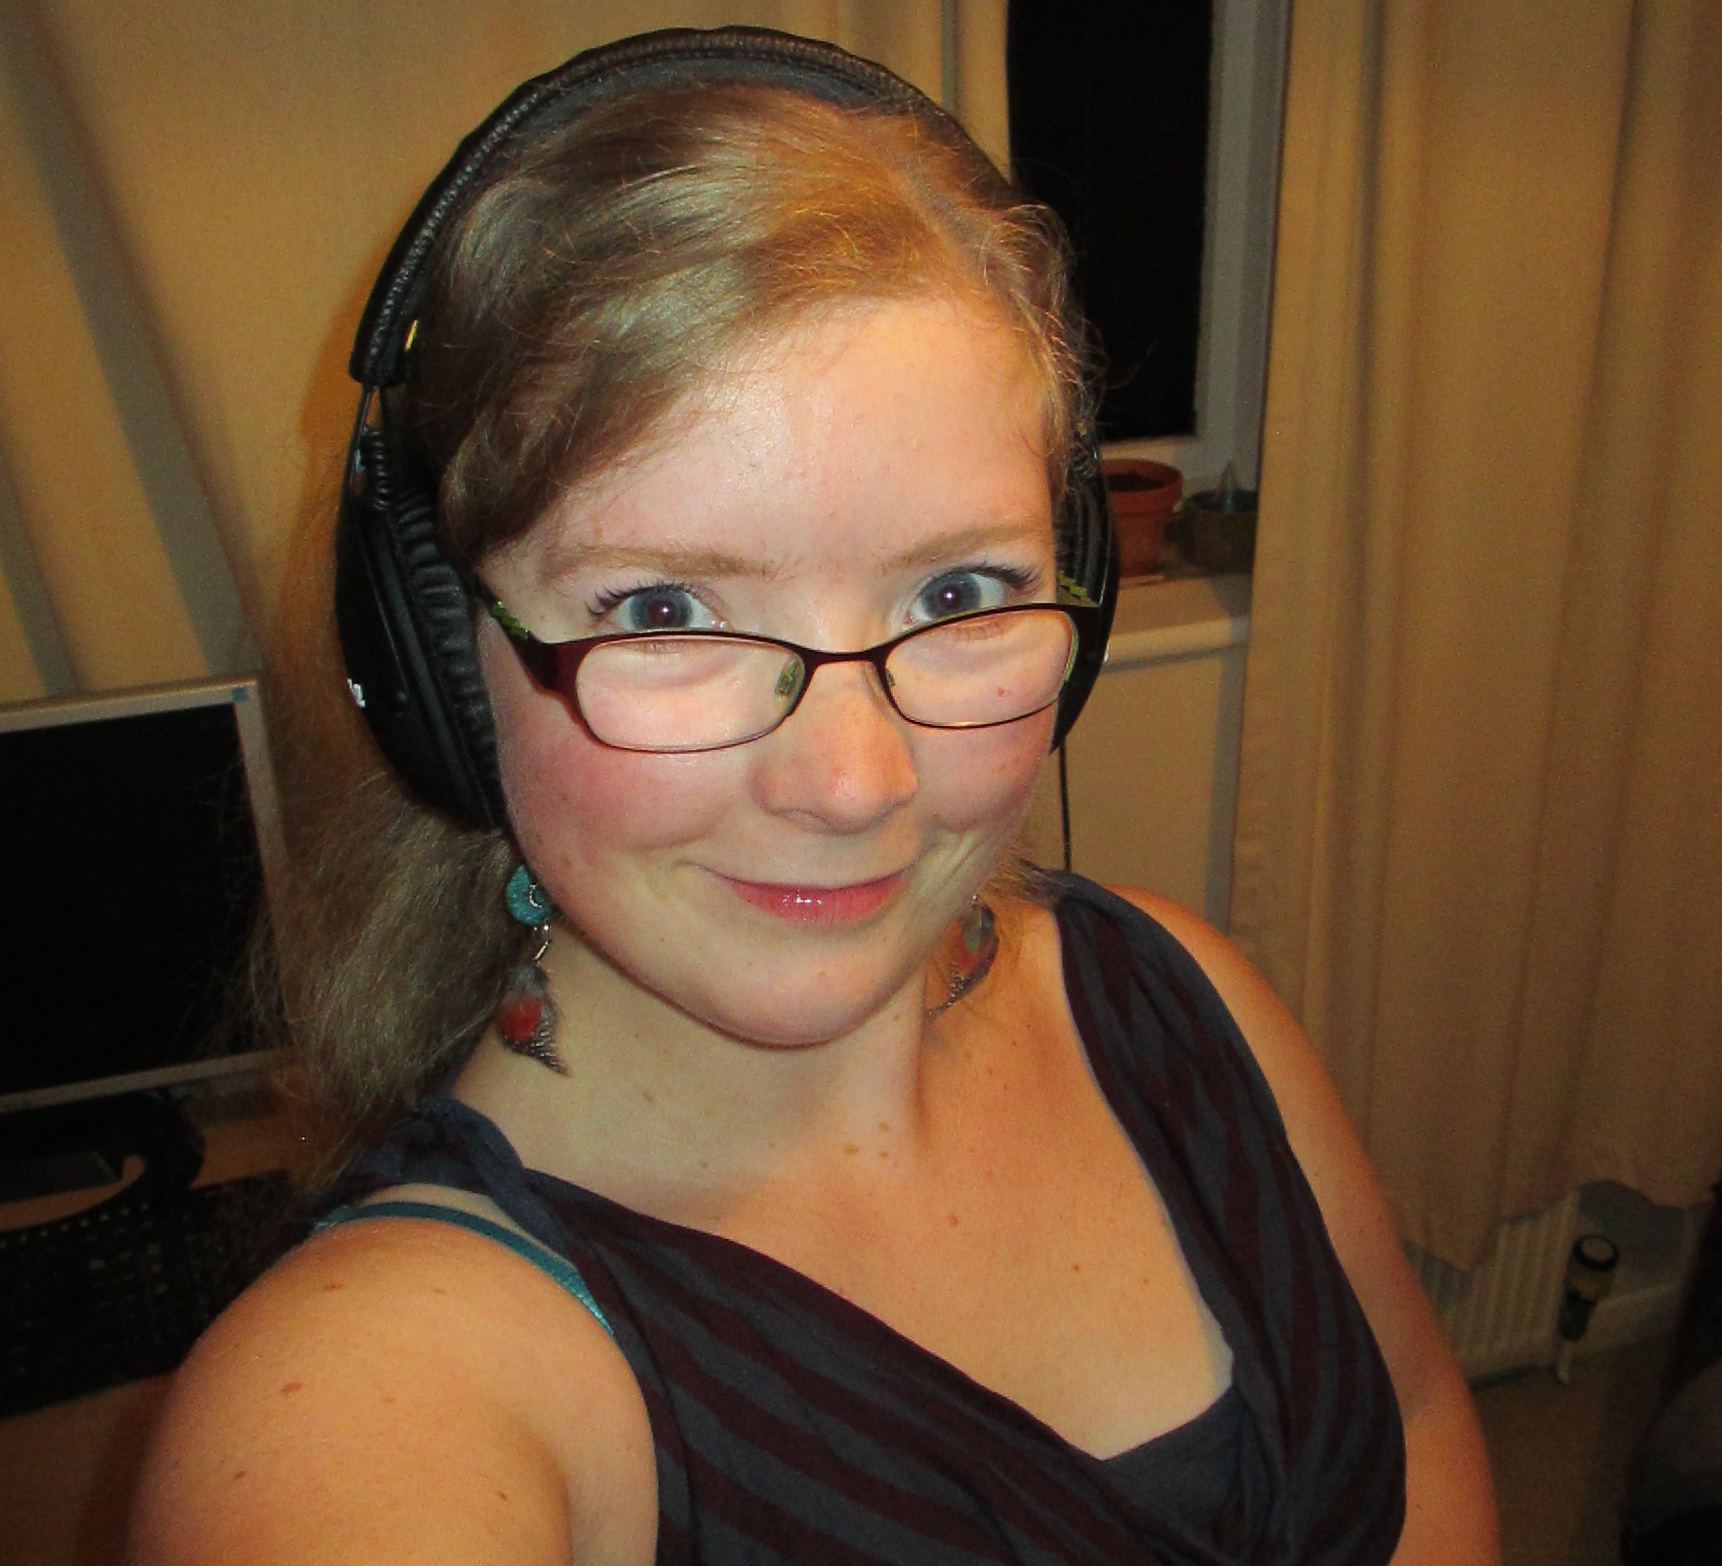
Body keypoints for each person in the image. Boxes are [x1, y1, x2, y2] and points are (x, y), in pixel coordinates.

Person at [130, 28, 1499, 1566]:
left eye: (959, 590)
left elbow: (1416, 1423)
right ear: (440, 665)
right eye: (664, 611)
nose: (855, 782)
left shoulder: (1187, 997)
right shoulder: (376, 1388)